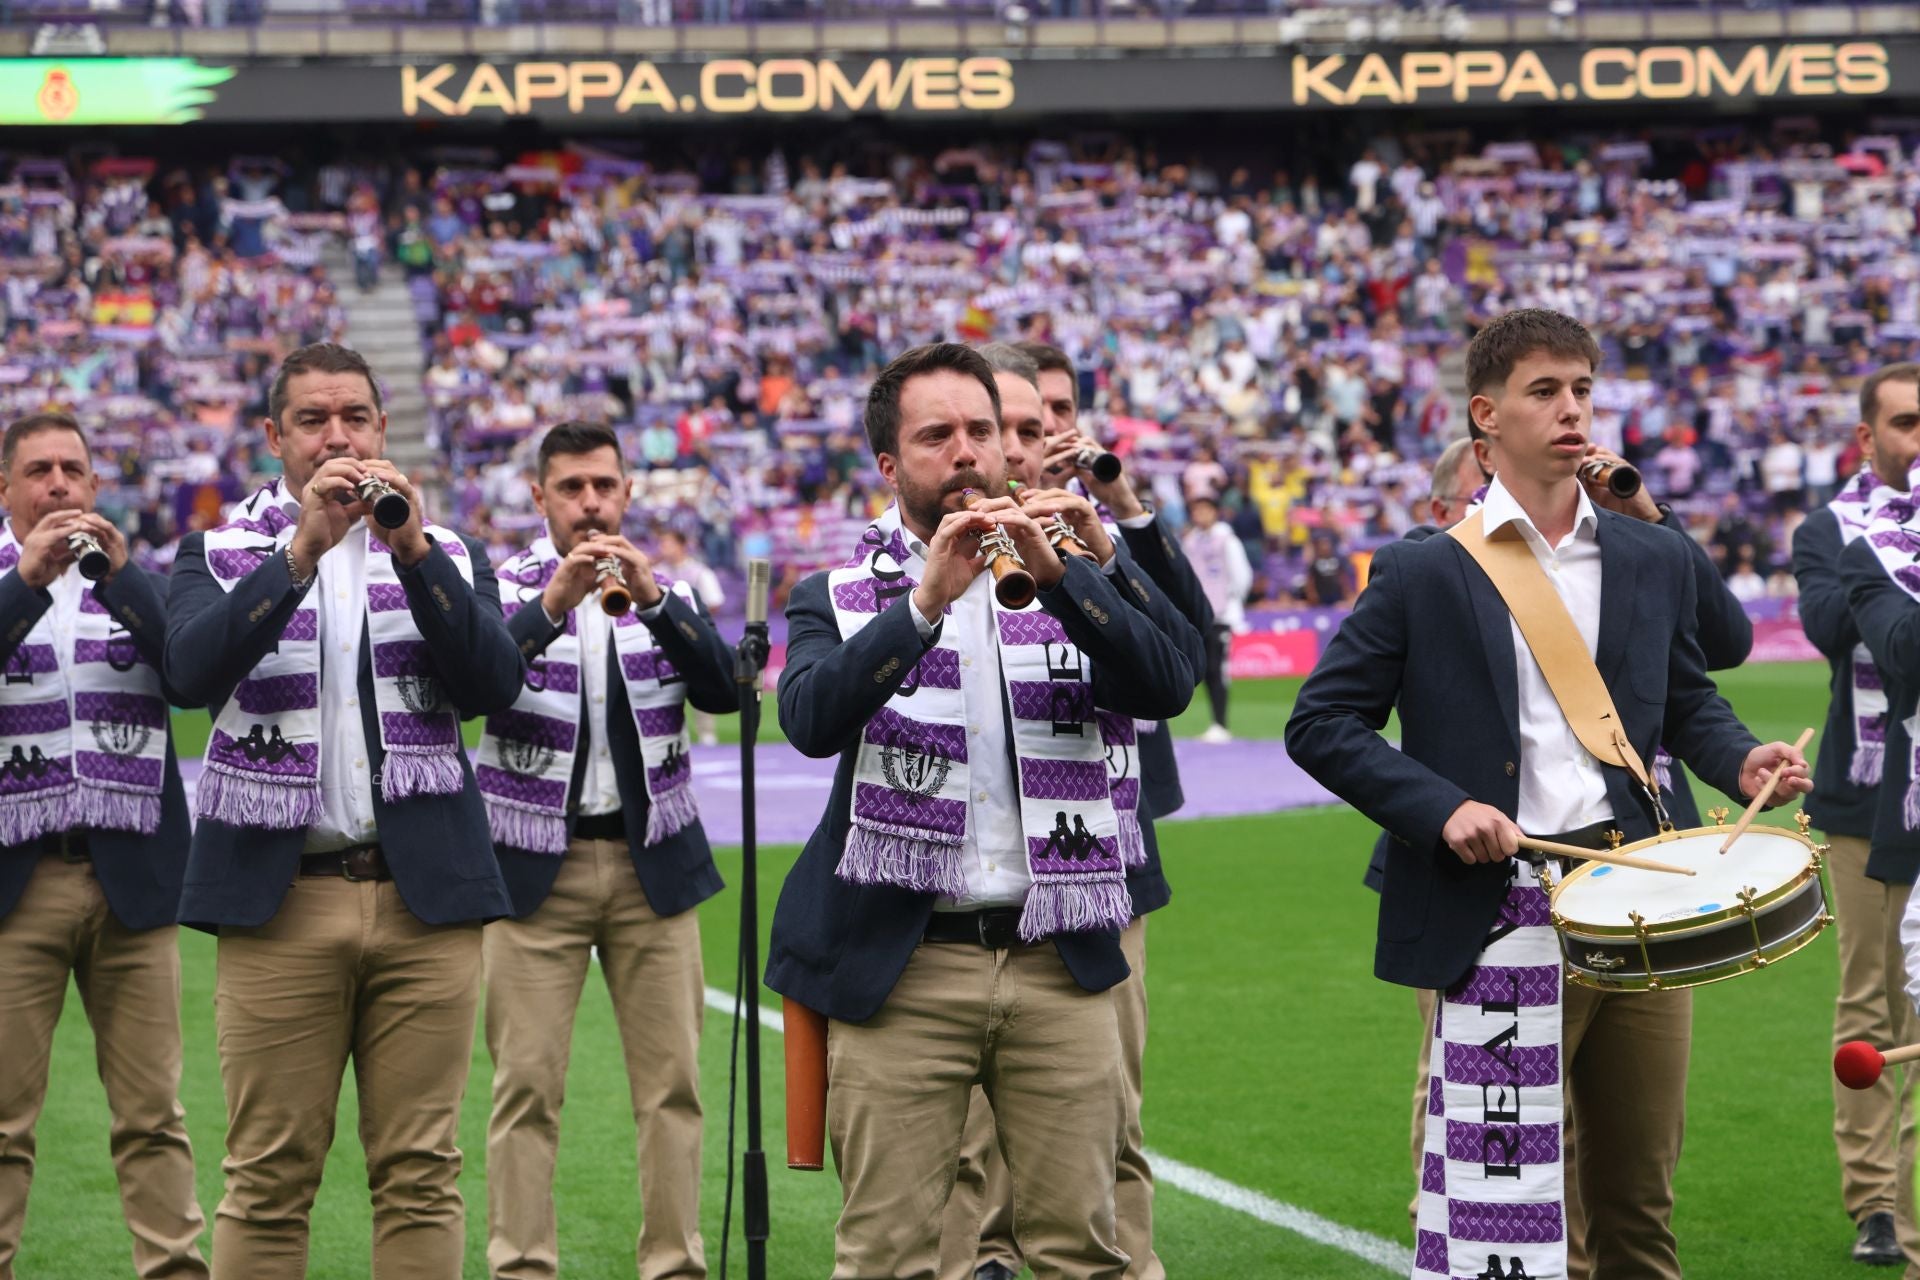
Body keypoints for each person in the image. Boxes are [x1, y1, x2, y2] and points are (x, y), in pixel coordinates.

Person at [1287, 308, 1810, 1280]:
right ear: (1486, 416)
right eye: (1545, 391)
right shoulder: (1421, 570)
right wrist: (1441, 806)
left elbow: (1688, 699)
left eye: (1582, 390)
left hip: (1640, 889)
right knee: (1515, 1205)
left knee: (1641, 1200)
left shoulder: (1652, 556)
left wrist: (1741, 760)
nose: (1572, 410)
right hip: (1502, 902)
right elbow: (1320, 723)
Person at [765, 342, 1196, 1280]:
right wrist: (921, 605)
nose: (966, 451)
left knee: (1084, 1253)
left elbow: (1172, 682)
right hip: (908, 971)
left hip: (1061, 965)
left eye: (982, 430)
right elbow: (807, 718)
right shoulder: (835, 596)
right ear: (889, 466)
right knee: (886, 1256)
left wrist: (1070, 577)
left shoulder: (1074, 563)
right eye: (936, 436)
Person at [163, 342, 524, 1280]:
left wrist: (408, 550)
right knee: (269, 1179)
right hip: (280, 899)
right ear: (275, 436)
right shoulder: (214, 552)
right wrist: (299, 555)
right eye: (315, 420)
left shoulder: (446, 551)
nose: (338, 438)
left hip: (423, 900)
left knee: (420, 1175)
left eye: (355, 417)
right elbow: (191, 673)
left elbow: (491, 682)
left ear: (382, 427)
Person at [939, 343, 1205, 1280]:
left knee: (1111, 1108)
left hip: (1105, 856)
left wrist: (1119, 523)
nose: (1034, 440)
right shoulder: (947, 543)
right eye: (1011, 424)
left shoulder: (1094, 532)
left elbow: (1188, 648)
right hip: (980, 877)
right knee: (971, 1134)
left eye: (1048, 417)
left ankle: (1130, 1264)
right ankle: (984, 1263)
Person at [474, 421, 738, 1280]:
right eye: (571, 489)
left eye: (604, 487)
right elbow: (477, 685)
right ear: (540, 498)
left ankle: (675, 1263)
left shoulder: (674, 591)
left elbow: (726, 690)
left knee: (672, 1089)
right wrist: (553, 602)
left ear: (627, 494)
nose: (590, 504)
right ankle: (521, 1266)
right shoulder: (503, 587)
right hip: (528, 869)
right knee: (525, 1090)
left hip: (649, 864)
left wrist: (656, 602)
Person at [0, 412, 210, 1280]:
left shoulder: (136, 580)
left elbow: (196, 670)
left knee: (154, 1114)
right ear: (6, 489)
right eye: (40, 470)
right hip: (17, 884)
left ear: (95, 485)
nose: (59, 484)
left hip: (132, 874)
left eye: (74, 470)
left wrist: (119, 578)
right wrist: (26, 583)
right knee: (3, 1122)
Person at [1810, 362, 1920, 1270]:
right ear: (1868, 438)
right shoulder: (1832, 531)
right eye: (1908, 425)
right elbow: (1825, 624)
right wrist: (1884, 560)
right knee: (1873, 999)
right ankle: (1876, 1201)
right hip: (1864, 791)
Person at [1181, 495, 1250, 745]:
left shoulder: (1227, 540)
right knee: (1205, 671)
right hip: (1200, 616)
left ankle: (1221, 724)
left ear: (1214, 512)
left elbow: (1241, 575)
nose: (1199, 514)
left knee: (1216, 669)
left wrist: (1230, 603)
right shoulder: (1191, 541)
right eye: (1196, 509)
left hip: (1221, 614)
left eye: (1204, 510)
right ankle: (1215, 724)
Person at [655, 528, 727, 747]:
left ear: (682, 545)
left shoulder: (699, 572)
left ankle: (707, 734)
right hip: (662, 640)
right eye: (662, 544)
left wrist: (692, 622)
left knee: (700, 683)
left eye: (668, 543)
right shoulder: (656, 571)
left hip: (695, 638)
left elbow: (714, 602)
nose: (663, 548)